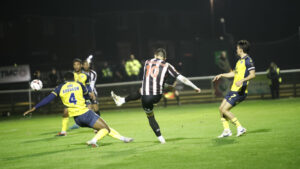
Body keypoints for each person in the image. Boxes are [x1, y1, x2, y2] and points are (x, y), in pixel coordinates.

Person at [112, 48, 201, 144]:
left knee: (150, 115)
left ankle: (161, 139)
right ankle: (122, 100)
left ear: (155, 55)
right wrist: (195, 87)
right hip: (156, 96)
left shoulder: (147, 61)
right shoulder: (167, 65)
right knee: (166, 86)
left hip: (145, 97)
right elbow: (182, 78)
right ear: (165, 58)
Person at [23, 72, 133, 147]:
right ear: (73, 78)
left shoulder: (60, 87)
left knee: (104, 127)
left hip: (77, 119)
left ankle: (123, 139)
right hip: (85, 113)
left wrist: (34, 108)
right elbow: (87, 96)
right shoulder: (79, 84)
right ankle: (93, 140)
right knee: (105, 129)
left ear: (65, 79)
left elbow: (48, 99)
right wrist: (89, 100)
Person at [213, 40, 256, 138]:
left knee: (225, 110)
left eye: (237, 48)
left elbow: (253, 75)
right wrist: (222, 74)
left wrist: (242, 80)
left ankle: (240, 127)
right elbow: (234, 73)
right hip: (233, 90)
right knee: (221, 109)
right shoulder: (239, 61)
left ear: (241, 49)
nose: (236, 50)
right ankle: (226, 131)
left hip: (240, 91)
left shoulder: (248, 60)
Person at [58, 58, 96, 136]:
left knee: (90, 109)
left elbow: (88, 85)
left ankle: (96, 128)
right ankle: (63, 131)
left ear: (81, 65)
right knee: (65, 112)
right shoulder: (71, 75)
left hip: (84, 96)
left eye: (78, 64)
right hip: (74, 97)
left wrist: (91, 92)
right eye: (74, 65)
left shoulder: (85, 75)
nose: (76, 66)